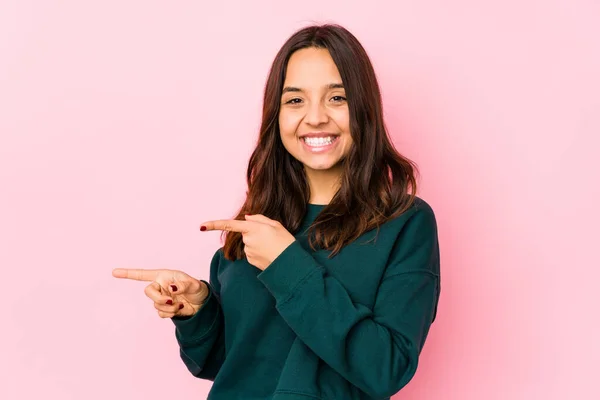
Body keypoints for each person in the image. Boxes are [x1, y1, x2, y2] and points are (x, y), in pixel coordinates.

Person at [113, 23, 440, 400]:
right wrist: (198, 310)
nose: (315, 117)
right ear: (277, 115)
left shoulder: (406, 223)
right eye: (295, 100)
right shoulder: (257, 222)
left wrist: (287, 264)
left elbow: (386, 368)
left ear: (364, 109)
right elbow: (227, 363)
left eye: (337, 98)